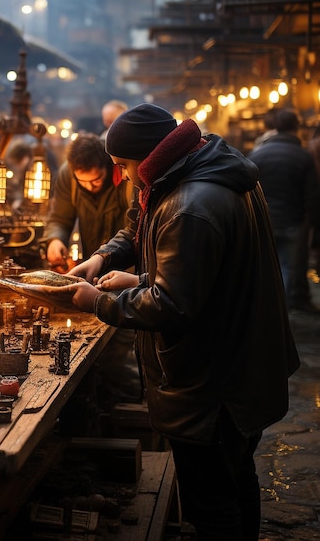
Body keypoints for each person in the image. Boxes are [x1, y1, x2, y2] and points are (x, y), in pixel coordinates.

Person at [67, 103, 300, 541]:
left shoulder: (190, 202)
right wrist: (105, 258)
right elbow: (149, 229)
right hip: (240, 363)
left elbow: (172, 304)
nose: (121, 176)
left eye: (122, 165)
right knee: (237, 481)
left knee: (212, 505)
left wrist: (98, 301)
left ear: (146, 156)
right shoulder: (196, 170)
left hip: (214, 385)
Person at [247, 108, 320, 312]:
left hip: (265, 220)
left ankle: (268, 309)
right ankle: (283, 312)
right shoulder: (303, 156)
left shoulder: (258, 154)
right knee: (288, 266)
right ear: (296, 128)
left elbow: (248, 189)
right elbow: (312, 195)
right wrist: (314, 223)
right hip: (293, 223)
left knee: (267, 266)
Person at [43, 132, 134, 272]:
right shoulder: (68, 174)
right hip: (90, 264)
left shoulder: (126, 178)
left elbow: (134, 230)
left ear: (107, 167)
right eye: (82, 181)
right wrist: (55, 239)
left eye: (96, 180)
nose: (89, 187)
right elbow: (60, 218)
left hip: (127, 270)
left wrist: (103, 257)